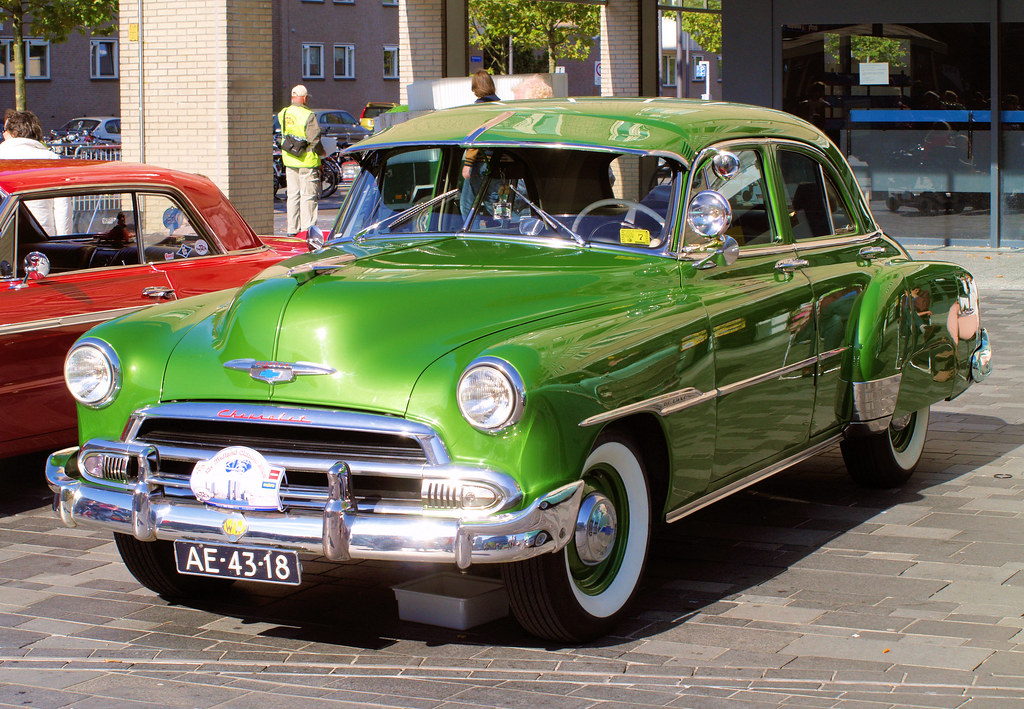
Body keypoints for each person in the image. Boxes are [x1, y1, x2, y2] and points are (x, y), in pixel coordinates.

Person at [0, 109, 74, 235]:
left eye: (4, 131)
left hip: (5, 234)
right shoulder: (51, 159)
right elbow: (63, 206)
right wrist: (63, 240)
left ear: (12, 132)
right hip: (42, 235)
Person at [277, 85, 324, 237]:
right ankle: (307, 231)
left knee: (292, 195)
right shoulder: (308, 115)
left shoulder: (283, 113)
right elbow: (314, 139)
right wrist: (322, 153)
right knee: (308, 196)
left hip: (290, 160)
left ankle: (292, 229)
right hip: (307, 162)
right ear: (304, 98)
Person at [460, 72, 501, 217]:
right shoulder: (500, 106)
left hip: (481, 162)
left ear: (476, 87)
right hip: (497, 160)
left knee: (468, 205)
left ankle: (472, 234)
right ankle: (512, 224)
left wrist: (468, 164)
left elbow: (475, 138)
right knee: (492, 201)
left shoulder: (479, 108)